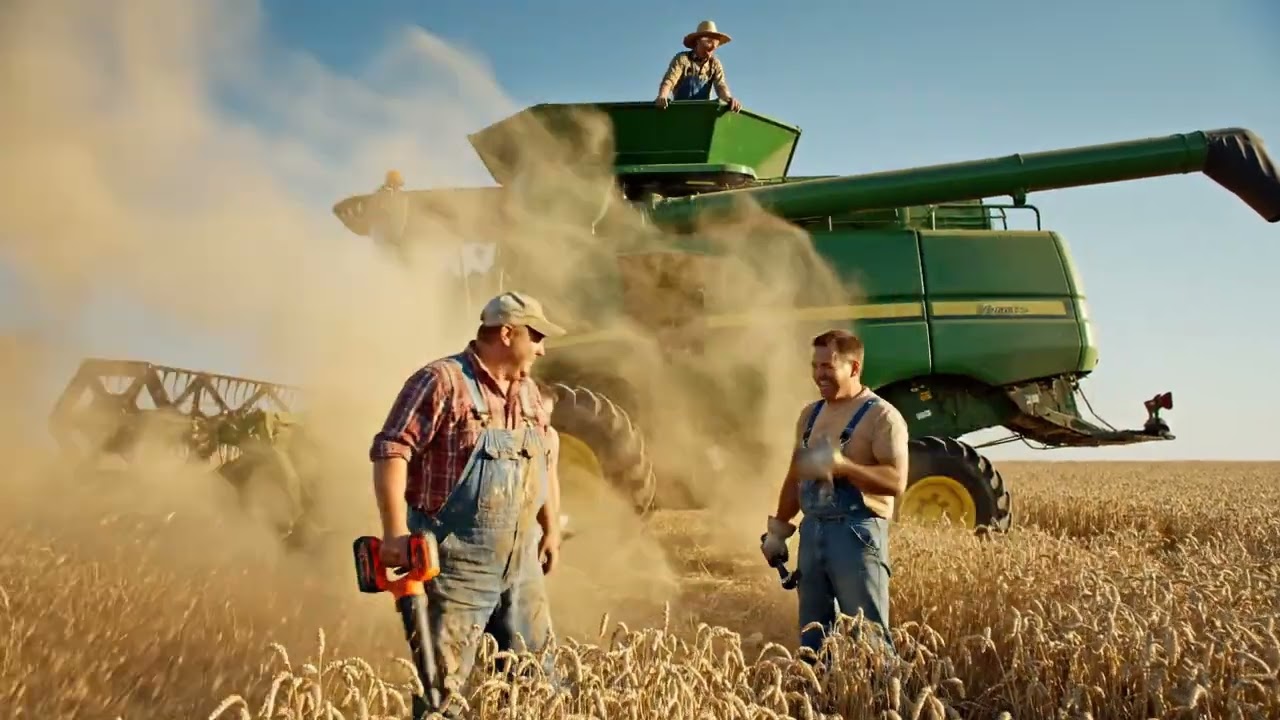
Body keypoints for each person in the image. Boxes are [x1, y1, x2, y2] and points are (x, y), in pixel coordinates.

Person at [367, 290, 566, 718]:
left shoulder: (529, 393)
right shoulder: (442, 381)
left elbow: (547, 457)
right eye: (537, 335)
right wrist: (395, 532)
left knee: (539, 683)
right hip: (458, 565)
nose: (543, 347)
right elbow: (392, 450)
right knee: (443, 693)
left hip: (522, 563)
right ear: (507, 333)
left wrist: (549, 527)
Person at [760, 329, 910, 658]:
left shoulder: (881, 416)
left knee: (869, 639)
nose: (818, 374)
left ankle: (880, 703)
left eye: (827, 366)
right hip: (813, 533)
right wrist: (778, 529)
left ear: (854, 368)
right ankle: (819, 704)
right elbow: (796, 474)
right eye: (815, 366)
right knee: (813, 639)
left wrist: (844, 468)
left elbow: (896, 481)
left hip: (857, 536)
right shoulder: (809, 416)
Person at [654, 20, 743, 112]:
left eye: (715, 44)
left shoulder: (715, 64)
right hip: (680, 111)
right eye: (708, 42)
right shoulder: (683, 59)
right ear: (698, 41)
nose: (712, 47)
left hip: (702, 113)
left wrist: (729, 99)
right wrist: (662, 96)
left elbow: (721, 86)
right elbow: (669, 80)